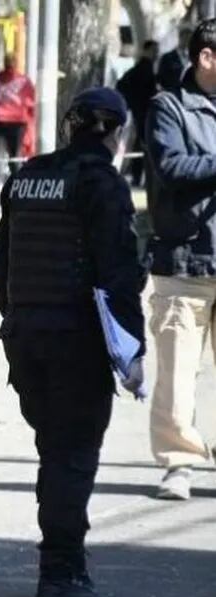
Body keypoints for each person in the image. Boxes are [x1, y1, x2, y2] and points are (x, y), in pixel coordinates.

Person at [0, 87, 147, 597]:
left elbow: (4, 263)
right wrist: (131, 352)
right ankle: (61, 574)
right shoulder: (100, 183)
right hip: (74, 342)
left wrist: (13, 321)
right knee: (71, 456)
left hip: (25, 337)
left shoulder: (28, 175)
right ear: (115, 133)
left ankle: (61, 566)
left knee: (54, 451)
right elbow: (118, 274)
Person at [144, 18, 216, 501]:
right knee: (175, 375)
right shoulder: (167, 108)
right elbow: (171, 167)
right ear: (206, 58)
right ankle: (179, 462)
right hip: (185, 262)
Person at [0, 54, 35, 198]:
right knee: (16, 154)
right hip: (17, 121)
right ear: (16, 63)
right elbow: (30, 102)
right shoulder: (24, 81)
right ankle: (17, 184)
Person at [116, 40, 160, 186]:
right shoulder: (144, 69)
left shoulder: (144, 68)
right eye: (154, 50)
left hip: (138, 113)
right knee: (141, 145)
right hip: (141, 114)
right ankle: (138, 176)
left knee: (138, 145)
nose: (156, 54)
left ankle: (137, 176)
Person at [158, 24, 193, 93]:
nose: (187, 41)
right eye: (186, 38)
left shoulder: (192, 57)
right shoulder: (167, 58)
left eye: (190, 39)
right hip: (174, 94)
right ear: (180, 37)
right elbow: (162, 79)